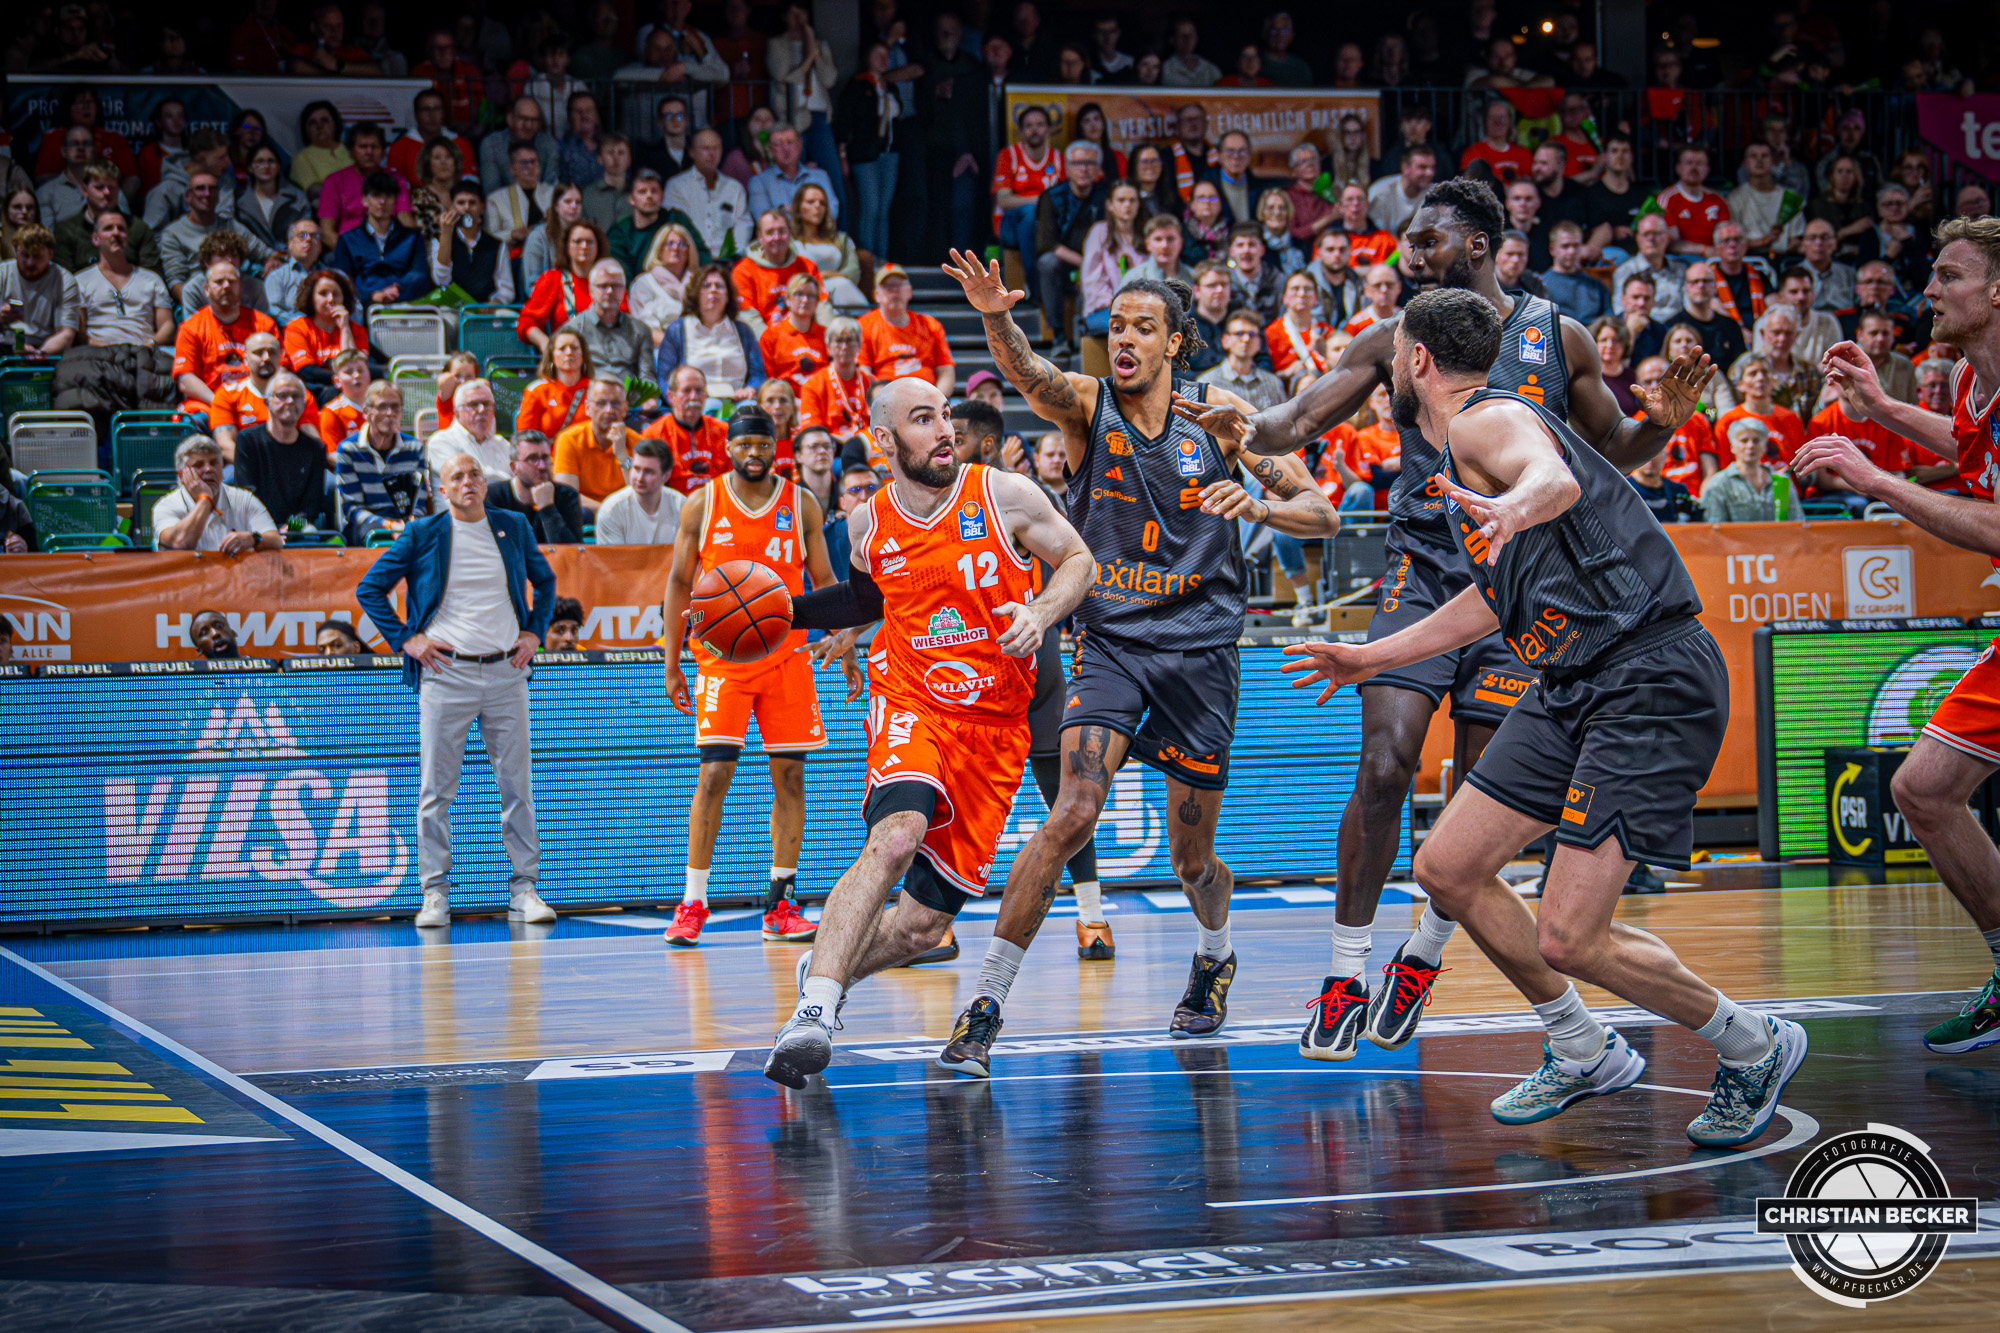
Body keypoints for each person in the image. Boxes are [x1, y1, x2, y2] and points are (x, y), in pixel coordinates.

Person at [1174, 179, 1717, 1060]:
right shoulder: (1394, 337)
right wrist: (1240, 425)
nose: (1409, 254)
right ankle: (1346, 972)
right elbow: (1298, 417)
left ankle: (1423, 953)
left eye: (1426, 240)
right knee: (1385, 763)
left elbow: (1613, 450)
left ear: (1478, 244)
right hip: (1427, 567)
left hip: (1524, 580)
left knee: (1481, 791)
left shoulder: (1557, 336)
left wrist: (1661, 427)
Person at [1285, 287, 1805, 1146]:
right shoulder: (1466, 454)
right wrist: (1368, 658)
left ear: (1416, 361)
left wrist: (1519, 504)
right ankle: (1580, 1044)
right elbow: (1492, 600)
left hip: (1645, 676)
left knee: (1569, 936)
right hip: (1572, 679)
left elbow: (1552, 478)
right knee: (1448, 866)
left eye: (1393, 358)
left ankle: (1754, 1042)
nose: (1388, 373)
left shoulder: (1484, 423)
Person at [942, 253, 1337, 1068]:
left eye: (1143, 328)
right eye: (1116, 326)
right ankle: (985, 1004)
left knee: (1193, 861)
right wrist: (994, 316)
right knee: (1071, 812)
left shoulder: (1220, 418)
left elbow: (1322, 512)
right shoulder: (1088, 407)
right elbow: (1028, 372)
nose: (1123, 339)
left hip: (1201, 652)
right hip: (1113, 643)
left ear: (1175, 343)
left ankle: (1215, 954)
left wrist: (1258, 503)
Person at [759, 377, 1092, 1085]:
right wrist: (783, 612)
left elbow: (1079, 560)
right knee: (896, 836)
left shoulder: (1005, 495)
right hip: (912, 698)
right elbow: (864, 599)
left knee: (921, 927)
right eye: (922, 419)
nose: (943, 429)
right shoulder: (866, 524)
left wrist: (1042, 611)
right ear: (884, 439)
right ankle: (813, 1014)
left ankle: (827, 967)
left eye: (944, 415)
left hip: (995, 728)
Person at [1798, 220, 2000, 1054]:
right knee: (1922, 789)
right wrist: (1880, 408)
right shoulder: (1970, 379)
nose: (1930, 291)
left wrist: (1878, 479)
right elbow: (1969, 446)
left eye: (1950, 276)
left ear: (1997, 292)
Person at [661, 411, 847, 950]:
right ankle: (693, 901)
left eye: (764, 444)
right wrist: (671, 662)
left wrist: (844, 642)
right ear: (729, 448)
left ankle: (780, 903)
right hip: (722, 660)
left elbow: (824, 579)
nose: (755, 453)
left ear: (776, 447)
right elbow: (678, 582)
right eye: (745, 444)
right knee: (714, 774)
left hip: (787, 657)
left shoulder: (801, 503)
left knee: (790, 778)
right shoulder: (703, 502)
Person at [354, 450, 558, 931]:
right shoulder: (423, 532)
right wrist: (407, 639)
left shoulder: (513, 525)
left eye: (474, 474)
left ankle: (524, 890)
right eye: (457, 477)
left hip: (506, 671)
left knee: (517, 787)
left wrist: (534, 632)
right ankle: (434, 894)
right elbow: (370, 588)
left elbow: (546, 581)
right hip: (446, 675)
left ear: (485, 482)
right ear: (441, 490)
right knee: (436, 791)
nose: (468, 481)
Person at [174, 260, 279, 421]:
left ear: (240, 287)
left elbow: (280, 369)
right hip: (210, 402)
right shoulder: (190, 328)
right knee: (193, 420)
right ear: (206, 290)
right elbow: (186, 380)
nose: (226, 286)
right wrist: (222, 404)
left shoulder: (264, 324)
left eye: (232, 281)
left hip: (258, 398)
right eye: (219, 282)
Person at [232, 372, 335, 531]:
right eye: (282, 396)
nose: (290, 401)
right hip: (256, 526)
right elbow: (246, 493)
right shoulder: (248, 441)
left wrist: (289, 528)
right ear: (267, 402)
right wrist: (270, 530)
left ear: (304, 403)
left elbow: (311, 505)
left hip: (295, 529)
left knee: (310, 532)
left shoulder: (316, 449)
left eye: (296, 396)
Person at [153, 435, 284, 553]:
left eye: (213, 463)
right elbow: (180, 543)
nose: (208, 469)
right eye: (199, 465)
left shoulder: (244, 499)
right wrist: (205, 499)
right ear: (182, 475)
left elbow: (276, 541)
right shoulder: (166, 506)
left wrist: (252, 539)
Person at [336, 380, 430, 542]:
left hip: (405, 523)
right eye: (382, 407)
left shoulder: (414, 448)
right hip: (367, 525)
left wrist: (408, 524)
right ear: (366, 411)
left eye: (395, 407)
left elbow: (418, 503)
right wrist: (387, 525)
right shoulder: (349, 450)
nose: (389, 413)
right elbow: (353, 508)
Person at [657, 263, 764, 405]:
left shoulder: (743, 331)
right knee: (711, 405)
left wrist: (750, 389)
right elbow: (665, 377)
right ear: (696, 294)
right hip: (696, 402)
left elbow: (758, 374)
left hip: (738, 400)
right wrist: (681, 400)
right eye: (706, 286)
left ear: (727, 296)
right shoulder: (678, 330)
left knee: (750, 408)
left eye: (719, 286)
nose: (713, 290)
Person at [329, 173, 431, 309]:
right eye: (376, 195)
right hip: (362, 308)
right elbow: (343, 278)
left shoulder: (412, 237)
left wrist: (398, 288)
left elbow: (420, 274)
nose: (382, 201)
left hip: (405, 304)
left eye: (388, 196)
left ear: (395, 200)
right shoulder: (347, 240)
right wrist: (371, 296)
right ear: (364, 200)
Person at [515, 219, 610, 351]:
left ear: (598, 247)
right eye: (577, 241)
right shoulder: (553, 279)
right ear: (567, 247)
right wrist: (545, 343)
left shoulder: (610, 281)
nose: (584, 246)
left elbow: (625, 320)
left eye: (589, 242)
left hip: (606, 357)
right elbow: (527, 322)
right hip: (567, 356)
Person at [860, 264, 954, 391]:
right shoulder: (864, 326)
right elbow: (863, 373)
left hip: (926, 394)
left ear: (909, 292)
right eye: (888, 286)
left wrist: (937, 398)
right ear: (876, 295)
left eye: (899, 285)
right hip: (886, 395)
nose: (894, 290)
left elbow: (946, 371)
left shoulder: (930, 324)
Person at [483, 430, 584, 543]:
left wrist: (548, 510)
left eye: (545, 458)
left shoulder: (567, 495)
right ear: (514, 467)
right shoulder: (494, 496)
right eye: (532, 459)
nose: (542, 466)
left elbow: (572, 550)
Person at [666, 129, 750, 263]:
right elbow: (676, 228)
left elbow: (743, 226)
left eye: (716, 148)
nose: (711, 153)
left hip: (729, 261)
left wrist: (735, 257)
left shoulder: (734, 188)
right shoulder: (676, 186)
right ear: (692, 152)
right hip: (690, 260)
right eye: (705, 148)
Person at [559, 260, 647, 386]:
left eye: (616, 286)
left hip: (627, 394)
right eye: (603, 286)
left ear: (624, 290)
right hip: (586, 393)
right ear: (591, 290)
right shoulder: (573, 330)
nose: (610, 291)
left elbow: (647, 376)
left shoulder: (638, 331)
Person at [731, 208, 821, 332]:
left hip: (805, 337)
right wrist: (773, 341)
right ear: (760, 237)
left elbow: (822, 308)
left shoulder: (807, 267)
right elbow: (749, 318)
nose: (777, 237)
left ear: (790, 234)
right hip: (766, 339)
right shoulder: (743, 271)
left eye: (782, 231)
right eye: (770, 232)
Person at [645, 365, 732, 492]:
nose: (693, 397)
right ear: (670, 396)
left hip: (716, 499)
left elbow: (733, 480)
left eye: (699, 390)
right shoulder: (653, 435)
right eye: (686, 390)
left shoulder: (724, 431)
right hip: (673, 501)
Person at [797, 317, 873, 461]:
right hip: (833, 452)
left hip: (870, 448)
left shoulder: (870, 382)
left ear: (859, 345)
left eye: (849, 340)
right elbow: (812, 431)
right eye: (838, 341)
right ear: (828, 347)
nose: (844, 347)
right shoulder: (812, 385)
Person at [0, 227, 78, 358]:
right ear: (15, 250)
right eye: (25, 255)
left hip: (45, 346)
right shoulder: (2, 273)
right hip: (4, 343)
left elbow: (66, 333)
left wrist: (39, 354)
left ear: (50, 254)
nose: (30, 263)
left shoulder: (65, 280)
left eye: (37, 257)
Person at [789, 182, 867, 310]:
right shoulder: (788, 240)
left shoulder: (841, 239)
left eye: (822, 203)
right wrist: (819, 277)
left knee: (842, 285)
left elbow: (853, 272)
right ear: (798, 207)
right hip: (805, 295)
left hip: (843, 290)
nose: (817, 206)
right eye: (810, 202)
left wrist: (827, 274)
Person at [591, 438, 683, 545]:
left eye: (649, 472)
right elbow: (612, 556)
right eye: (636, 469)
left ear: (666, 476)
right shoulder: (611, 510)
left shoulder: (681, 506)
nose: (640, 478)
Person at [206, 330, 282, 458]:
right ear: (245, 359)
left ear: (280, 357)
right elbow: (225, 445)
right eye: (258, 352)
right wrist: (255, 465)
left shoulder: (296, 394)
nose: (266, 357)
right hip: (244, 463)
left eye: (272, 352)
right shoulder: (227, 395)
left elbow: (311, 437)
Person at [1664, 263, 1748, 371]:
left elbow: (1741, 365)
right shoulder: (1671, 326)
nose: (1701, 286)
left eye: (1706, 281)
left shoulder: (1731, 326)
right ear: (1686, 287)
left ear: (1715, 286)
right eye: (1695, 281)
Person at [1201, 308, 1287, 409]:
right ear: (1225, 340)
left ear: (1259, 343)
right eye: (1239, 333)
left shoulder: (1273, 384)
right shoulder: (1209, 383)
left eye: (1251, 334)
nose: (1246, 339)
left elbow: (1284, 418)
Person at [429, 378, 512, 480]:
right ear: (457, 412)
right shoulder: (441, 442)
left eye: (486, 404)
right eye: (473, 405)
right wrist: (512, 482)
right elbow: (467, 480)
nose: (481, 410)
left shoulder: (502, 444)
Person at [1700, 415, 1779, 521]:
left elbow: (1796, 522)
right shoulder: (1718, 483)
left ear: (1765, 446)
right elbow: (1713, 526)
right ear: (1732, 447)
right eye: (1744, 441)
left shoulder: (1780, 481)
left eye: (1756, 441)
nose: (1750, 445)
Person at [1266, 273, 1333, 389]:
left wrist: (1325, 355)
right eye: (1295, 289)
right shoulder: (1271, 333)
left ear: (1315, 298)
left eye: (1307, 289)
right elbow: (1264, 376)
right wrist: (1286, 373)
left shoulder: (1326, 332)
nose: (1302, 294)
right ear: (1284, 297)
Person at [760, 272, 828, 387]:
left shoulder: (826, 335)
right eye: (799, 294)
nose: (805, 300)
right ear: (787, 299)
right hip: (786, 396)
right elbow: (768, 383)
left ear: (817, 302)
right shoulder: (770, 337)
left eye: (811, 296)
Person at [1540, 222, 1610, 322]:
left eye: (1576, 246)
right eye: (1565, 246)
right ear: (1552, 249)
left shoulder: (1596, 286)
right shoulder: (1541, 286)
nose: (1571, 251)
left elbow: (1609, 320)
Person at [607, 169, 668, 280]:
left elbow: (699, 253)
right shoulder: (619, 232)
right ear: (631, 199)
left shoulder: (675, 219)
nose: (649, 196)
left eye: (654, 191)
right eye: (642, 192)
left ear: (662, 196)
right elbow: (620, 272)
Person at [1370, 147, 1436, 239]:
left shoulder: (1435, 194)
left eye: (1433, 168)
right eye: (1422, 167)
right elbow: (1375, 233)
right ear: (1405, 167)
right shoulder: (1380, 192)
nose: (1430, 173)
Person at [1629, 450, 1700, 523]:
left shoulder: (1679, 491)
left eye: (1656, 452)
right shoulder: (1626, 490)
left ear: (1665, 456)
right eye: (1644, 452)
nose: (1650, 459)